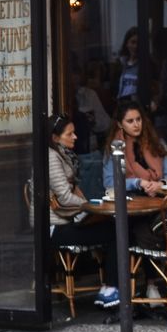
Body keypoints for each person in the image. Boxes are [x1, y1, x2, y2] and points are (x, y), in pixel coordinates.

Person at [47, 113, 121, 309]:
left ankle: (110, 285)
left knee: (111, 225)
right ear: (55, 138)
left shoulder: (62, 155)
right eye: (69, 134)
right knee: (115, 231)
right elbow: (64, 196)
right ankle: (111, 287)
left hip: (68, 220)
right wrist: (92, 207)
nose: (75, 137)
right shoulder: (51, 157)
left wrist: (90, 209)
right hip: (56, 226)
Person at [102, 100, 167, 196]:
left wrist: (160, 184)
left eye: (138, 119)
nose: (136, 125)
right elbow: (109, 183)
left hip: (159, 199)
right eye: (130, 121)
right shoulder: (116, 147)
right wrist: (137, 183)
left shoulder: (155, 143)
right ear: (120, 124)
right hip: (130, 201)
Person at [114, 27, 144, 102]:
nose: (135, 46)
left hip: (137, 107)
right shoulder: (121, 64)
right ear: (127, 44)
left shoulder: (145, 66)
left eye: (138, 43)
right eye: (133, 42)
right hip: (122, 106)